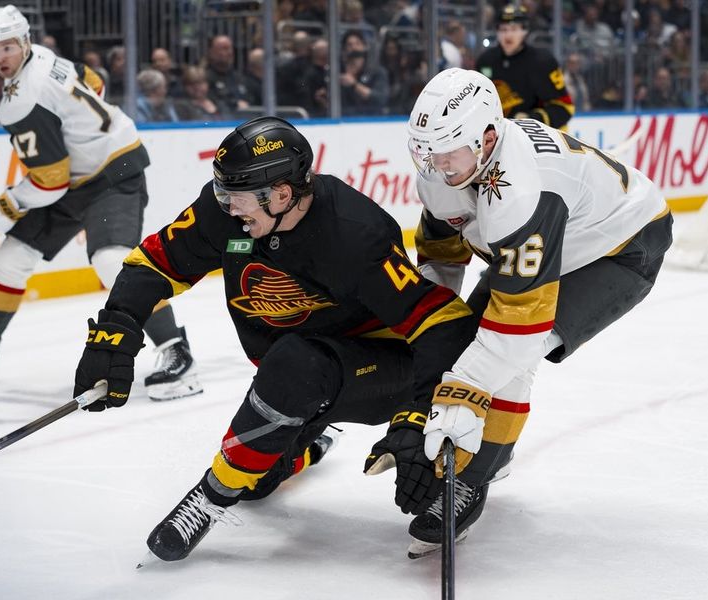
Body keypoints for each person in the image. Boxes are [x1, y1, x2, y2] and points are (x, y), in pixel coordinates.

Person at [71, 116, 477, 562]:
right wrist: (116, 328)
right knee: (259, 481)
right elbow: (153, 263)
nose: (225, 208)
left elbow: (445, 323)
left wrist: (416, 415)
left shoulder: (353, 232)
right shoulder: (224, 211)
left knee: (293, 366)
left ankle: (211, 495)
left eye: (235, 199)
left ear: (282, 194)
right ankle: (310, 444)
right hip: (299, 378)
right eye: (221, 194)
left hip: (383, 371)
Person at [395, 68, 672, 557]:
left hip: (619, 248)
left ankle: (473, 479)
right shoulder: (450, 166)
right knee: (470, 347)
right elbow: (441, 254)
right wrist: (434, 327)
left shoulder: (524, 191)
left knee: (507, 363)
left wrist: (464, 392)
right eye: (425, 151)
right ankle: (489, 450)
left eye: (446, 152)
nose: (435, 165)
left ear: (486, 137)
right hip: (555, 243)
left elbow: (518, 329)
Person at [0, 5, 202, 402]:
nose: (0, 57)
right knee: (13, 255)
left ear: (24, 42)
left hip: (114, 170)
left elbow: (49, 182)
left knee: (112, 259)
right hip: (79, 176)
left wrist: (6, 205)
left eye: (7, 47)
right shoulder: (46, 57)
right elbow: (94, 83)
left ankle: (177, 353)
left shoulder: (21, 101)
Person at [475, 5, 574, 129]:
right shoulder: (486, 61)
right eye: (503, 29)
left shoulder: (543, 62)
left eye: (514, 29)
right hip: (500, 134)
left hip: (541, 136)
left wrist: (531, 120)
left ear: (525, 31)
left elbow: (564, 107)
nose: (508, 35)